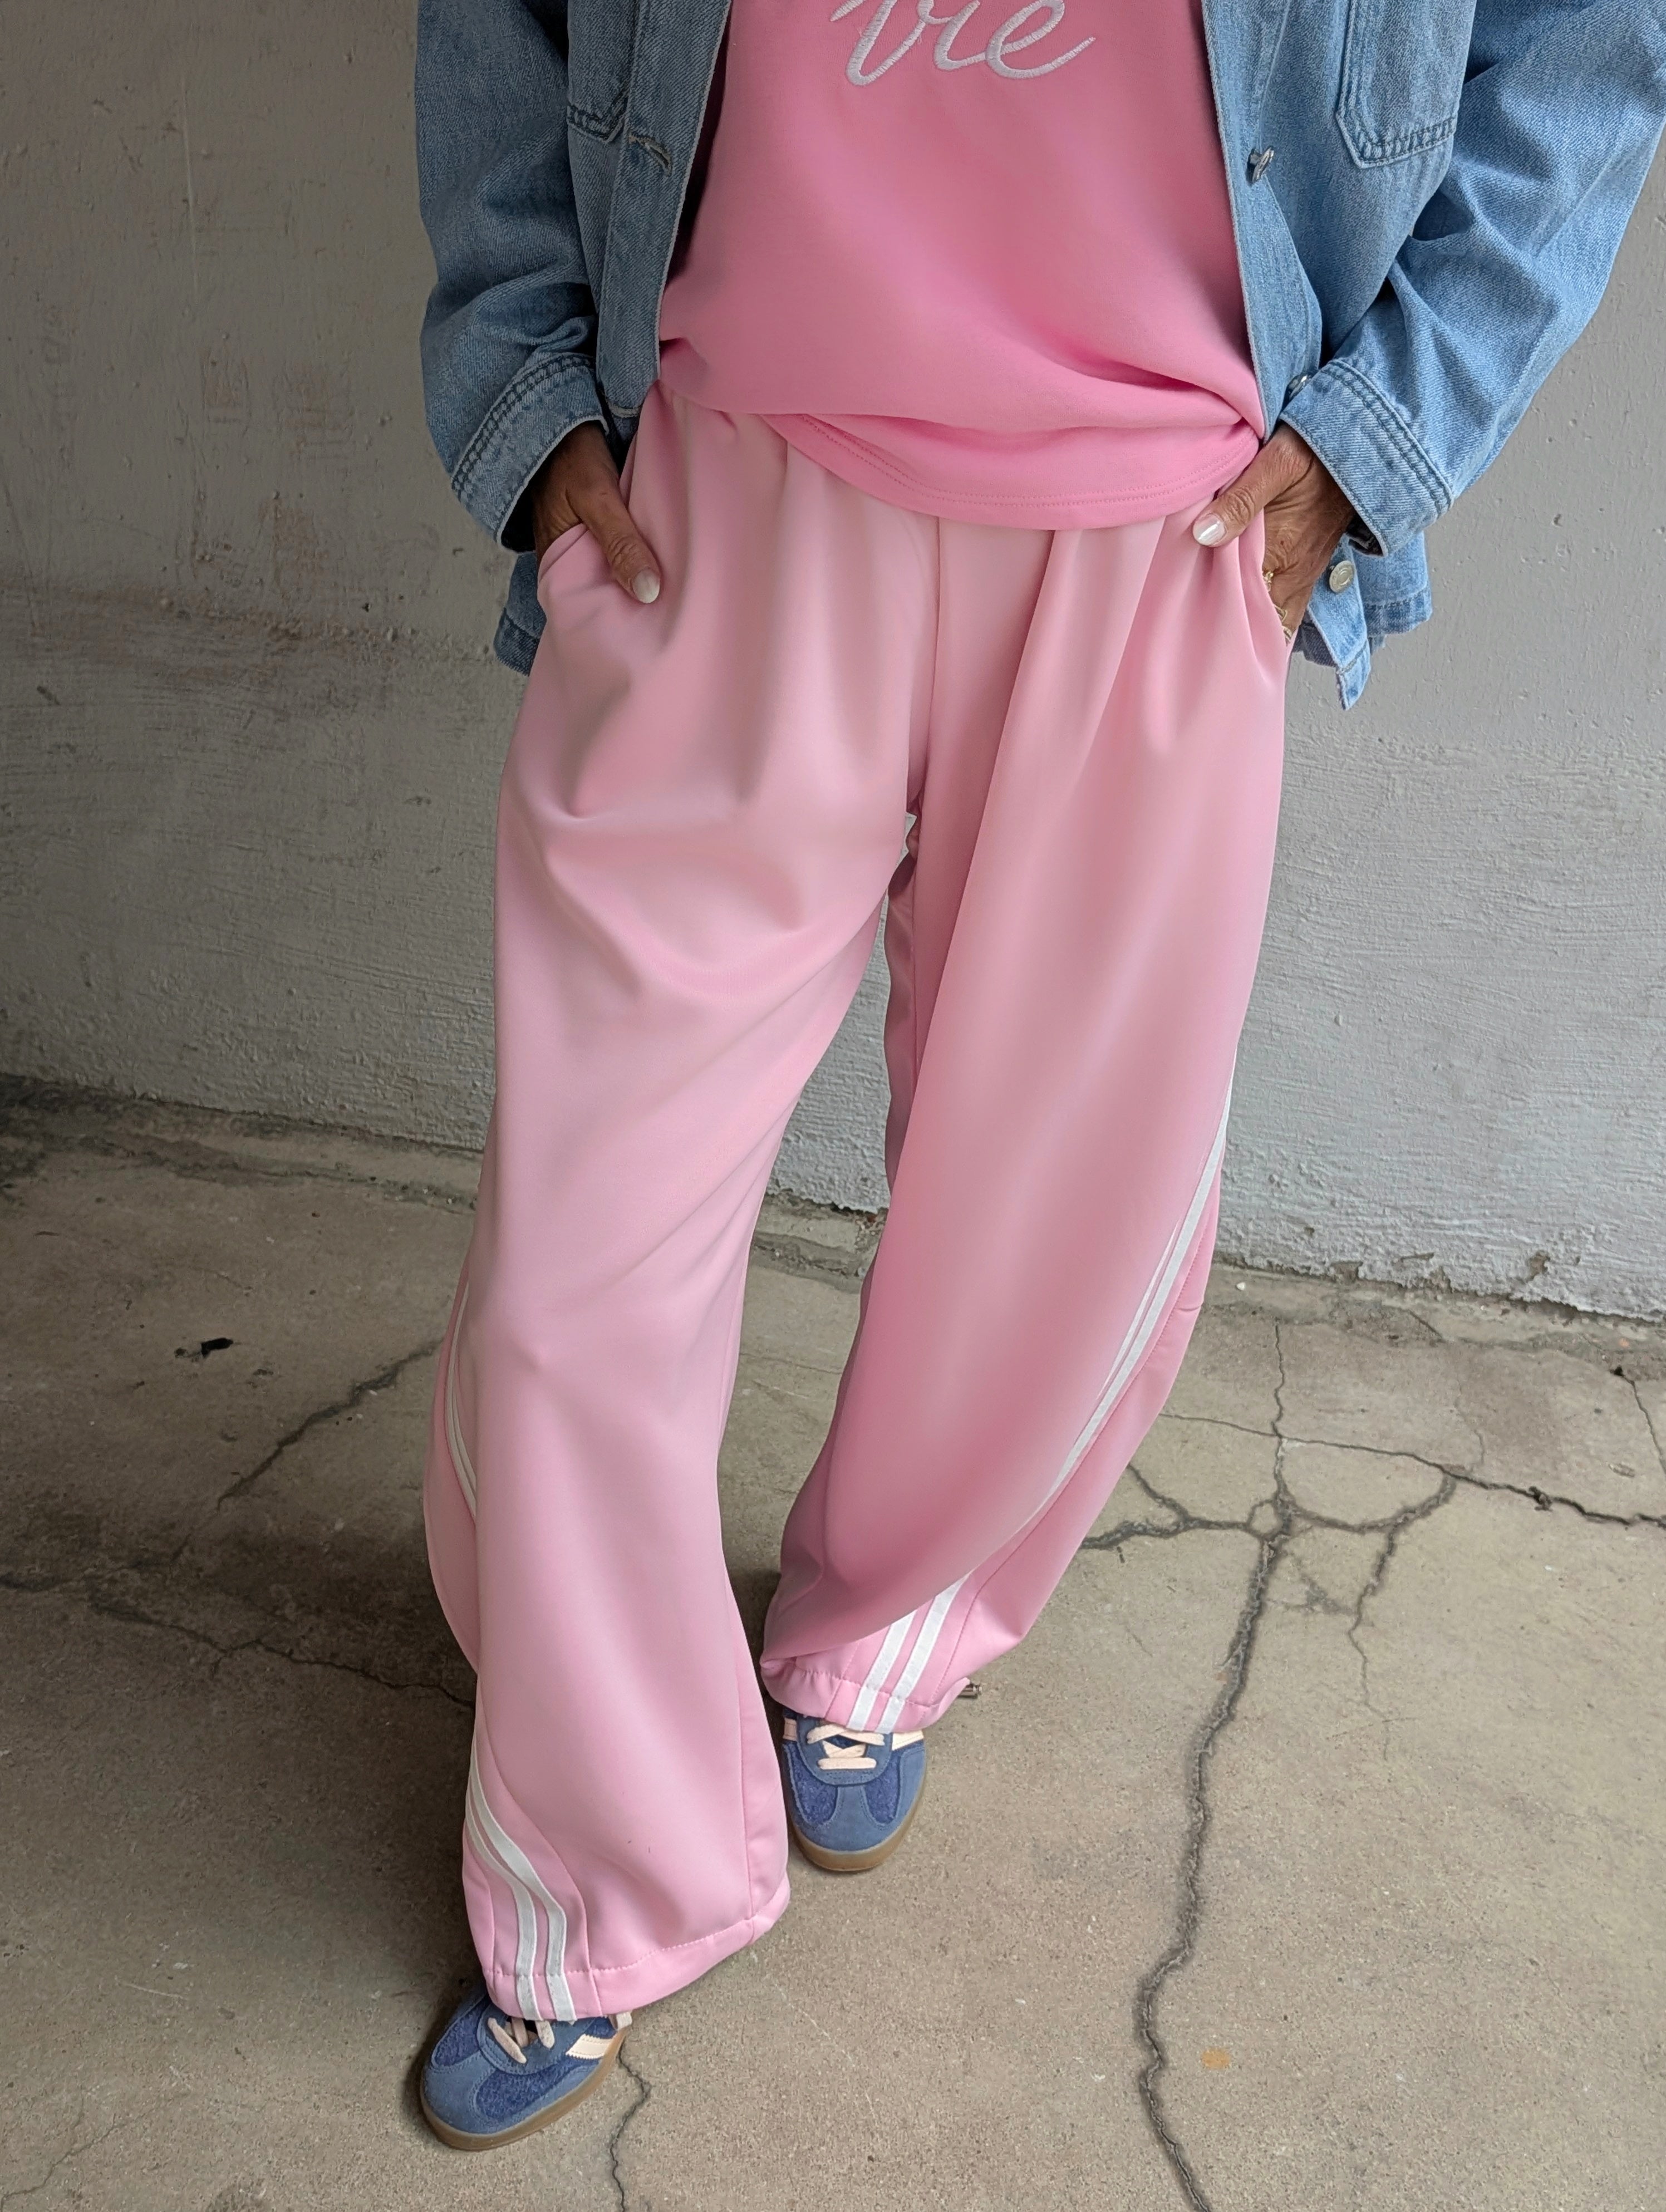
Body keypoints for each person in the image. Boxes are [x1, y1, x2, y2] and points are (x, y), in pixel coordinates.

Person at [409, 0, 1666, 2151]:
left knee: (1051, 1217)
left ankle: (877, 1635)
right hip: (723, 490)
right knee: (576, 1259)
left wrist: (1380, 436)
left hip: (1163, 529)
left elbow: (1582, 44)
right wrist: (525, 394)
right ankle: (597, 1872)